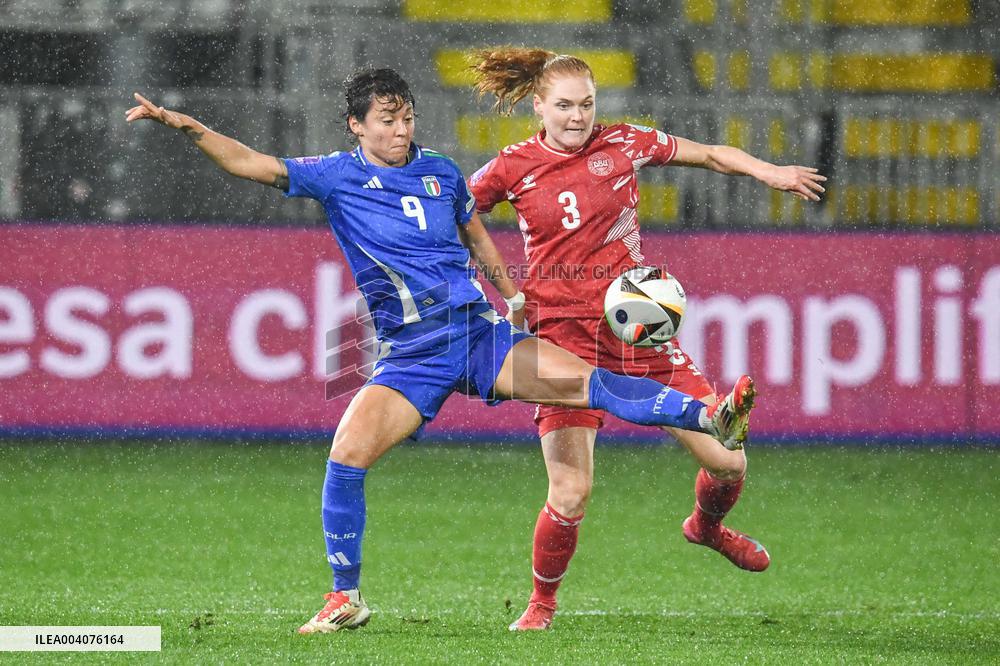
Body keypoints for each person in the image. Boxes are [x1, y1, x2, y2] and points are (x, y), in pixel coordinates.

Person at [125, 66, 756, 635]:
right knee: (346, 456)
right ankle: (345, 597)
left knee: (588, 382)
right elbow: (251, 164)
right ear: (357, 126)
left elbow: (473, 227)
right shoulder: (335, 176)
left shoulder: (441, 172)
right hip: (412, 353)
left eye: (406, 119)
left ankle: (708, 416)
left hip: (477, 335)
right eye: (387, 121)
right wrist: (189, 127)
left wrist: (509, 292)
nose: (401, 131)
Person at [468, 48, 827, 631]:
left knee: (730, 461)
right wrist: (505, 288)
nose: (577, 116)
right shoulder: (511, 166)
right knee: (570, 491)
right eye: (563, 106)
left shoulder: (625, 142)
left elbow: (708, 154)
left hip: (636, 327)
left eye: (586, 104)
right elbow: (459, 214)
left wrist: (769, 172)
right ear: (538, 106)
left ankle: (705, 527)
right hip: (561, 339)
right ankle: (540, 606)